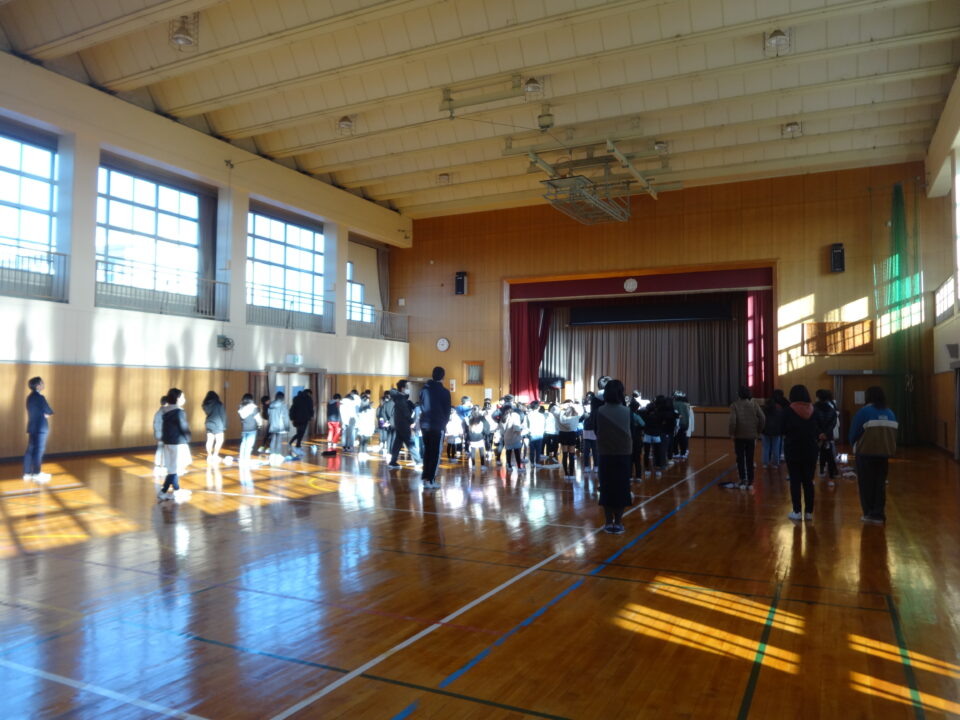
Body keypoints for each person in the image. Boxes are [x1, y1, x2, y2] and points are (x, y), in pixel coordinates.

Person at [849, 386, 898, 524]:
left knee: (866, 485)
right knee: (879, 484)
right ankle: (879, 514)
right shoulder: (890, 412)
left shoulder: (863, 412)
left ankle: (870, 514)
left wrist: (855, 446)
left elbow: (853, 434)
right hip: (884, 454)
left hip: (865, 454)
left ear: (868, 397)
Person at [595, 379, 633, 534]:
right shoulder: (627, 411)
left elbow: (596, 430)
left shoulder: (599, 411)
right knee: (622, 488)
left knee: (606, 487)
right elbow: (632, 430)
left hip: (605, 453)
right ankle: (618, 522)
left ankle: (607, 521)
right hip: (623, 453)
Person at [782, 385, 821, 521]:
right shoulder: (814, 410)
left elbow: (782, 429)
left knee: (795, 481)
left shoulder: (787, 411)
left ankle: (797, 511)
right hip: (811, 449)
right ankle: (809, 512)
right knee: (808, 481)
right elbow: (819, 429)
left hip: (793, 449)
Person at [724, 386, 765, 489]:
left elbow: (732, 422)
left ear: (739, 394)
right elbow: (762, 418)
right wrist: (758, 431)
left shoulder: (734, 405)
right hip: (751, 436)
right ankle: (750, 481)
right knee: (750, 458)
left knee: (740, 458)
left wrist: (732, 434)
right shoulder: (754, 404)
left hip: (739, 436)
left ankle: (742, 479)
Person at [419, 366, 452, 489]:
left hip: (425, 425)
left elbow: (421, 405)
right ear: (443, 377)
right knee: (435, 453)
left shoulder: (424, 390)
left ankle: (425, 477)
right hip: (437, 426)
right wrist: (443, 423)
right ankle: (431, 480)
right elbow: (447, 411)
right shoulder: (444, 392)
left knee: (427, 451)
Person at [158, 388, 191, 500]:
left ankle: (177, 489)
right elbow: (183, 426)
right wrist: (188, 436)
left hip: (168, 443)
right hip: (178, 443)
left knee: (173, 468)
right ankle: (163, 491)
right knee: (174, 469)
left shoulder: (165, 411)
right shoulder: (179, 412)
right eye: (183, 397)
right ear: (177, 398)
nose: (184, 399)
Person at [23, 376, 54, 483]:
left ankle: (27, 473)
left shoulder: (29, 397)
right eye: (42, 383)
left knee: (30, 450)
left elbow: (36, 411)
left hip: (32, 427)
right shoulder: (40, 397)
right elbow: (49, 411)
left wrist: (44, 413)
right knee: (39, 451)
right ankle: (37, 473)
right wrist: (46, 414)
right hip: (41, 428)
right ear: (38, 385)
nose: (43, 384)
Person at [387, 379, 422, 468]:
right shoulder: (401, 398)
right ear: (402, 388)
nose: (408, 389)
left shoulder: (399, 398)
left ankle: (393, 462)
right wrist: (411, 421)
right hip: (403, 424)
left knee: (397, 443)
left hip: (399, 424)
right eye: (407, 387)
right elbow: (405, 411)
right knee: (410, 443)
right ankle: (418, 461)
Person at [814, 389, 839, 483]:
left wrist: (820, 433)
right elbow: (833, 423)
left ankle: (820, 471)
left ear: (818, 397)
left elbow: (813, 422)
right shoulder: (831, 409)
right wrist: (826, 433)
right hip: (828, 435)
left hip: (818, 436)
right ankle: (832, 475)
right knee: (828, 454)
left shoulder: (814, 408)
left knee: (819, 453)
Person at [201, 390, 227, 463]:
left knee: (209, 440)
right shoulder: (219, 404)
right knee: (220, 440)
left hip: (209, 423)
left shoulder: (205, 405)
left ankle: (209, 456)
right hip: (218, 424)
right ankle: (215, 455)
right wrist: (225, 425)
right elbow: (223, 415)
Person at [237, 393, 262, 465]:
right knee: (249, 445)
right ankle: (246, 459)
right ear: (251, 399)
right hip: (252, 428)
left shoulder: (241, 408)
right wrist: (260, 425)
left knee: (243, 443)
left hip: (244, 428)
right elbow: (258, 418)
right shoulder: (253, 408)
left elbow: (241, 419)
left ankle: (241, 458)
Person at [267, 391, 291, 465]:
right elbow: (285, 417)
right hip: (280, 426)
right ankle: (277, 456)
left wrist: (270, 424)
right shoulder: (283, 405)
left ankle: (272, 456)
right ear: (282, 397)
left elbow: (269, 415)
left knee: (273, 440)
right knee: (278, 440)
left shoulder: (271, 405)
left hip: (272, 424)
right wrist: (287, 427)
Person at [558, 400, 580, 479]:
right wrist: (573, 405)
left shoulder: (561, 417)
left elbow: (559, 412)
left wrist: (563, 408)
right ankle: (571, 474)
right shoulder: (576, 418)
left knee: (564, 455)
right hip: (571, 435)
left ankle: (566, 474)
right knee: (571, 455)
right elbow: (581, 412)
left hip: (563, 434)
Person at [761, 395, 785, 468]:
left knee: (766, 447)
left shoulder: (763, 411)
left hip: (765, 431)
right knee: (776, 447)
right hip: (776, 431)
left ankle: (765, 463)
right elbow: (781, 422)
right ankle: (775, 463)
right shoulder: (779, 411)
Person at [290, 389, 315, 455]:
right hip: (305, 418)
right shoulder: (308, 399)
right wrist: (311, 415)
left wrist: (292, 418)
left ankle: (297, 444)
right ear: (308, 393)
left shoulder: (296, 398)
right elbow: (311, 408)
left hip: (296, 418)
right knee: (301, 432)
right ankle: (293, 442)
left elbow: (293, 408)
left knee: (299, 432)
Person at [356, 393, 377, 458]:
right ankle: (364, 452)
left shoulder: (359, 409)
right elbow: (371, 419)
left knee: (361, 440)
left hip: (361, 426)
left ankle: (360, 452)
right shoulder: (370, 410)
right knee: (365, 441)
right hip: (367, 426)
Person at [152, 395, 168, 476]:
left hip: (161, 434)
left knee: (161, 450)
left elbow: (155, 425)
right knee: (163, 450)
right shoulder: (164, 412)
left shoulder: (158, 413)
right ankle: (162, 466)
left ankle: (158, 466)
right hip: (163, 434)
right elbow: (157, 425)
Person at [377, 391, 395, 457]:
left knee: (389, 437)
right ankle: (392, 451)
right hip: (394, 423)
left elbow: (383, 413)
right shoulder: (395, 404)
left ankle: (388, 451)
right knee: (393, 438)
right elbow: (394, 414)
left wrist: (386, 421)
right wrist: (390, 421)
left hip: (387, 423)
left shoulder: (385, 404)